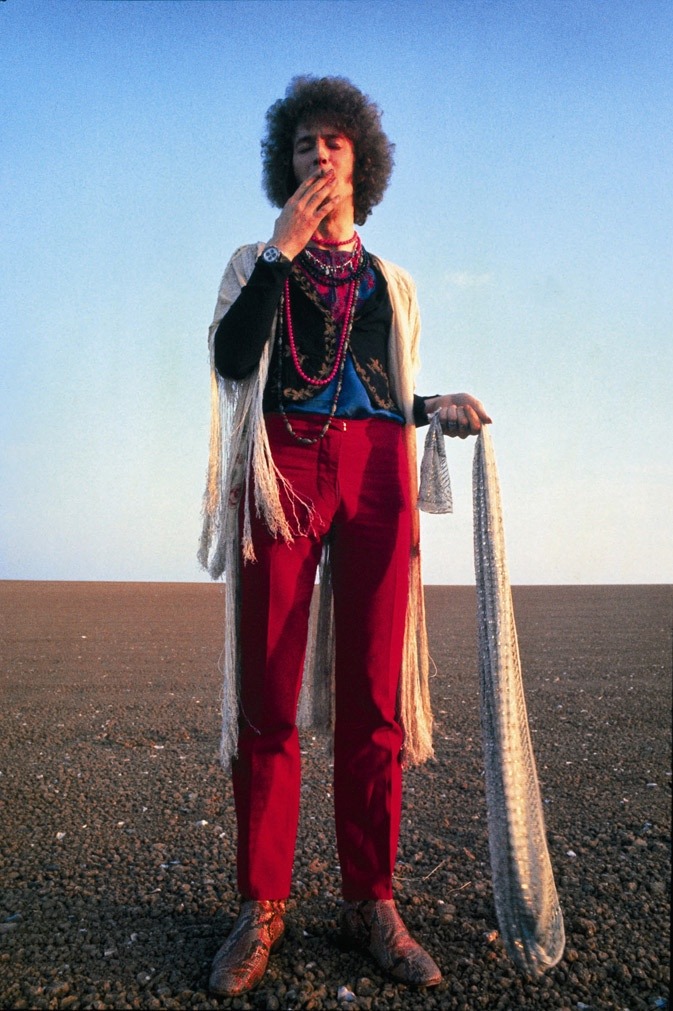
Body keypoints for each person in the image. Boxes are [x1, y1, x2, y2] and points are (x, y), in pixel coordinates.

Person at [199, 75, 491, 997]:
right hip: (279, 468)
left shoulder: (389, 282)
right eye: (301, 145)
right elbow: (228, 360)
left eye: (334, 142)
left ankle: (371, 900)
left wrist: (430, 404)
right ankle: (264, 902)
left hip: (374, 474)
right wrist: (283, 252)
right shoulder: (255, 261)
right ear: (282, 166)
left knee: (374, 696)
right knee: (269, 693)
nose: (318, 155)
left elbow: (377, 384)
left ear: (362, 161)